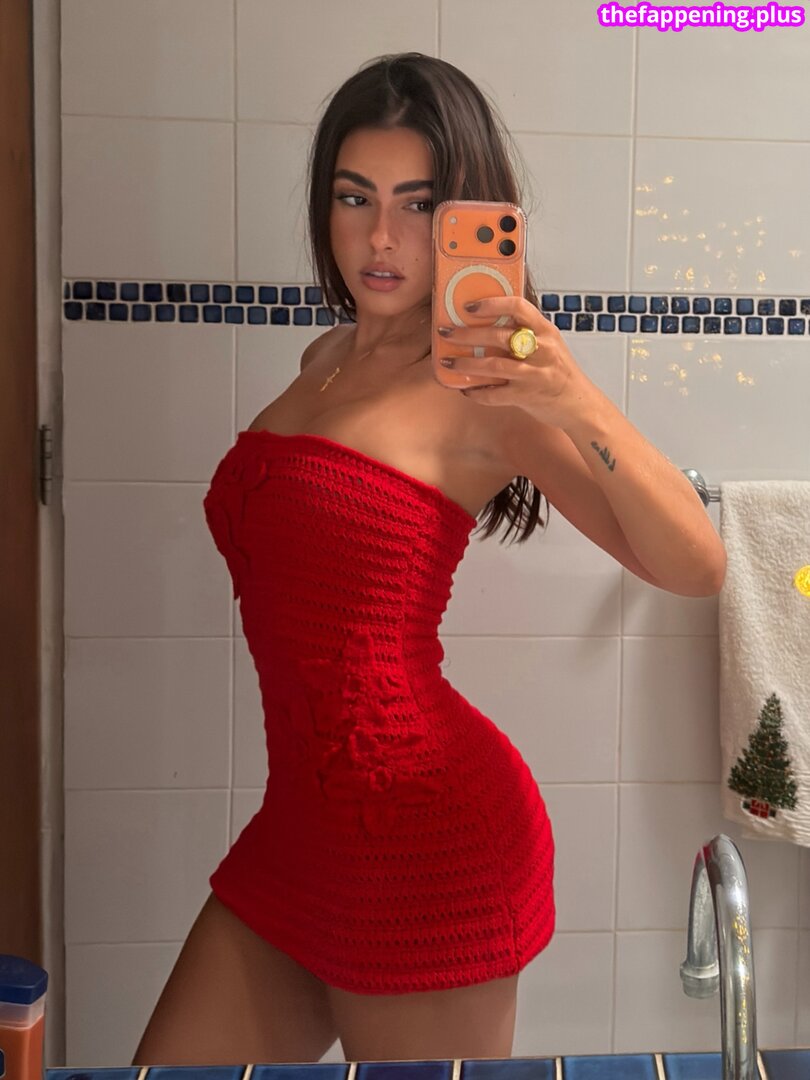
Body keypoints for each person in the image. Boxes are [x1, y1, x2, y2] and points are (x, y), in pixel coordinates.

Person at [132, 53, 726, 1067]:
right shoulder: (324, 360)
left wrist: (574, 396)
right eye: (354, 197)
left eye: (417, 205)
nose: (380, 237)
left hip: (428, 852)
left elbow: (696, 564)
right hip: (302, 832)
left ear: (463, 218)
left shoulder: (484, 393)